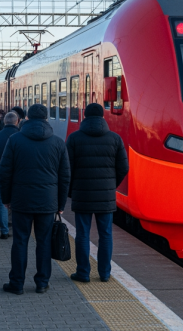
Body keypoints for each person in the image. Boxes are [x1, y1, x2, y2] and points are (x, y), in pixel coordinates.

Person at [0, 104, 70, 295]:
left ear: (27, 118)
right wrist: (61, 204)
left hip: (21, 200)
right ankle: (42, 282)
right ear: (46, 118)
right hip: (47, 202)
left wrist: (6, 199)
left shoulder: (14, 140)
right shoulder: (57, 142)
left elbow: (4, 172)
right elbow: (65, 176)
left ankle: (17, 283)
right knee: (44, 241)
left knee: (20, 241)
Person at [66, 103, 128, 283]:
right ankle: (104, 273)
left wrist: (72, 190)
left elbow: (67, 169)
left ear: (85, 116)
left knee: (83, 234)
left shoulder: (74, 138)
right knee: (106, 234)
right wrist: (111, 185)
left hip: (82, 195)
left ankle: (83, 273)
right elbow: (124, 167)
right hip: (106, 196)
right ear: (103, 116)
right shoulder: (115, 139)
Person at [0, 112, 19, 239]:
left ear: (4, 122)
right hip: (18, 176)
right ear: (17, 122)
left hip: (1, 174)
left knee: (2, 202)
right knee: (17, 203)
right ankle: (18, 230)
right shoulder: (21, 136)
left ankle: (4, 231)